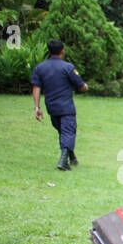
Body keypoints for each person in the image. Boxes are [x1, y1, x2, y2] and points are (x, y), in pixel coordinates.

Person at [30, 39, 88, 171]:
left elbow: (36, 87)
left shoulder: (40, 68)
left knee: (63, 132)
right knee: (68, 132)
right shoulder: (68, 67)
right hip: (66, 107)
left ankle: (72, 157)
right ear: (62, 51)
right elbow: (81, 85)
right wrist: (85, 87)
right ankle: (63, 162)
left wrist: (37, 107)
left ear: (49, 51)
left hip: (51, 107)